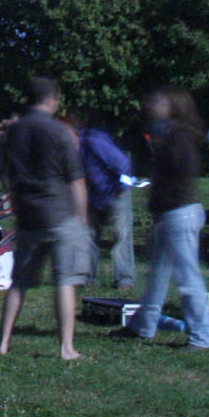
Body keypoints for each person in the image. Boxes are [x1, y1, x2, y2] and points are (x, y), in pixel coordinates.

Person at [0, 77, 90, 360]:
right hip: (59, 213)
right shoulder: (59, 132)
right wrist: (82, 216)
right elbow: (75, 178)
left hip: (27, 214)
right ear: (52, 99)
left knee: (19, 282)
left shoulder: (13, 131)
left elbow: (8, 173)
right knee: (64, 280)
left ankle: (2, 343)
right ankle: (66, 348)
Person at [128, 87, 209, 349]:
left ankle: (203, 337)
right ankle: (143, 326)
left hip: (179, 212)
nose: (152, 103)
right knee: (157, 275)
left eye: (159, 101)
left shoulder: (179, 137)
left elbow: (177, 176)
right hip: (171, 213)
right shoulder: (166, 134)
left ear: (174, 107)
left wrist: (162, 200)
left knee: (188, 279)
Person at [78, 117, 135, 290]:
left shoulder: (93, 141)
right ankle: (87, 276)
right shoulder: (73, 148)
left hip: (115, 193)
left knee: (121, 235)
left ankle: (124, 279)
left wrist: (120, 186)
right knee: (89, 235)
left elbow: (123, 164)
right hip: (94, 195)